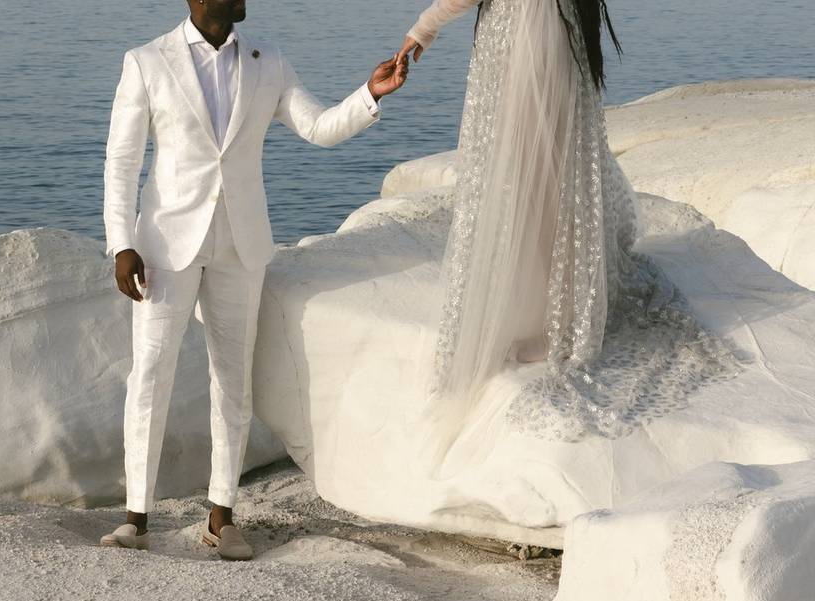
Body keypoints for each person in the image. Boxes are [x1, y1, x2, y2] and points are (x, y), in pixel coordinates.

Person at [99, 0, 408, 560]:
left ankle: (221, 517)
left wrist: (369, 94)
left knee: (233, 380)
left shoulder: (269, 61)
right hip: (166, 246)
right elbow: (121, 160)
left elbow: (316, 128)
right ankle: (136, 518)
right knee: (150, 376)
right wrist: (122, 243)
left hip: (242, 245)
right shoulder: (146, 61)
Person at [393, 0, 740, 461]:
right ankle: (565, 305)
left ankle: (542, 312)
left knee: (525, 175)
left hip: (520, 40)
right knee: (556, 171)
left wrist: (423, 28)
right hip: (562, 34)